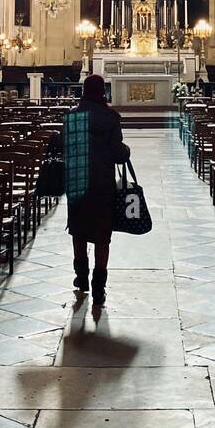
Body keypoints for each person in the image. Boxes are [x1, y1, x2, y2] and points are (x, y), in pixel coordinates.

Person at [62, 74, 130, 305]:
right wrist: (126, 151)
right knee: (102, 235)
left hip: (77, 180)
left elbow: (64, 148)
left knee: (78, 230)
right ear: (102, 91)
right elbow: (118, 153)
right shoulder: (110, 117)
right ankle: (99, 286)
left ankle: (81, 277)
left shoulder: (72, 116)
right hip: (102, 183)